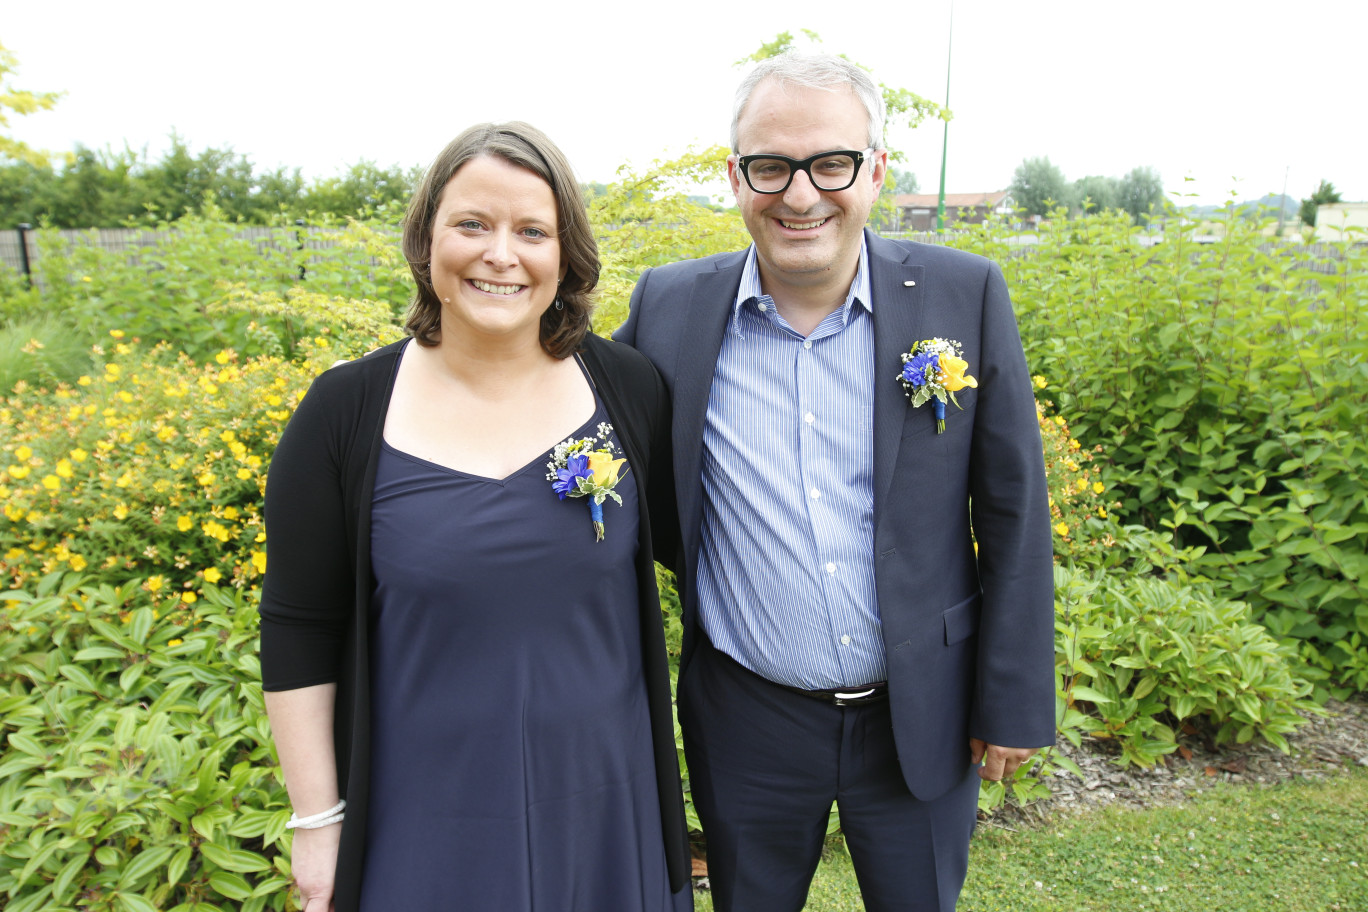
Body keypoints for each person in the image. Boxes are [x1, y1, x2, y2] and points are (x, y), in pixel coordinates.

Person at [614, 53, 1055, 912]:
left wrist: (1011, 699)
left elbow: (1014, 513)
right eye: (770, 166)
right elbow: (605, 450)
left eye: (832, 163)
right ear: (735, 175)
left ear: (877, 170)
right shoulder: (668, 308)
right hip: (748, 713)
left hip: (920, 711)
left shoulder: (963, 295)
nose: (801, 194)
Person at [259, 122, 691, 912]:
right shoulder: (345, 412)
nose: (502, 254)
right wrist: (317, 821)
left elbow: (700, 558)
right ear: (427, 240)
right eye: (472, 224)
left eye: (532, 230)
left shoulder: (629, 392)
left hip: (600, 803)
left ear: (566, 256)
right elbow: (297, 624)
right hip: (422, 809)